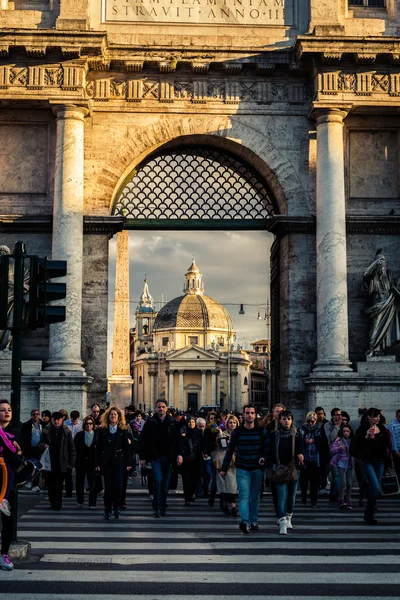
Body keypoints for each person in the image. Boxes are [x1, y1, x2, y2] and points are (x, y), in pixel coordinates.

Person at [220, 405, 267, 534]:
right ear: (243, 415)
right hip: (242, 467)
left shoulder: (261, 431)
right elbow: (229, 451)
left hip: (257, 468)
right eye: (247, 413)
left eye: (252, 413)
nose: (250, 415)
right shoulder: (237, 432)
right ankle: (245, 522)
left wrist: (263, 458)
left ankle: (253, 520)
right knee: (243, 495)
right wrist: (224, 468)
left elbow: (266, 449)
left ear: (255, 415)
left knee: (255, 497)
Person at [139, 399, 183, 518]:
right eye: (159, 407)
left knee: (165, 484)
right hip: (155, 457)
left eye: (163, 407)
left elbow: (178, 440)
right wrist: (142, 458)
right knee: (157, 480)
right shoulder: (150, 422)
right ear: (155, 408)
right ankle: (157, 507)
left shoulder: (172, 422)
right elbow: (143, 440)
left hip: (169, 457)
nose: (161, 409)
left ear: (167, 408)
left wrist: (179, 454)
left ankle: (163, 506)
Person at [351, 407, 392, 524]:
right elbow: (356, 446)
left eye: (379, 416)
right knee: (374, 486)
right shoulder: (362, 429)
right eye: (375, 416)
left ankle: (371, 508)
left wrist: (388, 462)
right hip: (367, 461)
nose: (377, 419)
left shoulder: (382, 429)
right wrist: (366, 437)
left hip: (380, 461)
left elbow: (386, 447)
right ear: (369, 417)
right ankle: (369, 515)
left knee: (375, 487)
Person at [266, 410, 304, 535]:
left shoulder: (297, 434)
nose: (286, 421)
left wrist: (301, 454)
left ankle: (288, 517)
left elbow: (301, 448)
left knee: (291, 496)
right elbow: (270, 450)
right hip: (279, 468)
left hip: (293, 468)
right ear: (279, 420)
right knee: (281, 495)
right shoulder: (274, 435)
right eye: (283, 419)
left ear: (292, 420)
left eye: (288, 418)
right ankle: (282, 521)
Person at [95, 406, 132, 520]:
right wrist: (97, 463)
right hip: (107, 462)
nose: (113, 416)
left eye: (115, 414)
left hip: (119, 462)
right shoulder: (102, 430)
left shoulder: (123, 430)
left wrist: (129, 463)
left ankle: (116, 507)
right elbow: (98, 448)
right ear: (108, 416)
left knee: (118, 486)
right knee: (108, 487)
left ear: (118, 417)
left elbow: (127, 448)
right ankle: (107, 509)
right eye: (111, 414)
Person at [363, 251, 400, 356]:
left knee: (386, 326)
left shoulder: (388, 274)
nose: (382, 264)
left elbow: (394, 286)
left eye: (384, 262)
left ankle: (380, 350)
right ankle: (371, 348)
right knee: (376, 325)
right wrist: (375, 263)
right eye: (380, 262)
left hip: (388, 301)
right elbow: (365, 274)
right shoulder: (372, 276)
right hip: (378, 302)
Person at [39, 411, 75, 511]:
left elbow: (71, 448)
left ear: (62, 420)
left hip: (61, 461)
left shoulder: (66, 432)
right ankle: (52, 500)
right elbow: (40, 444)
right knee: (50, 484)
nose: (56, 422)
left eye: (58, 420)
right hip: (49, 461)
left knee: (59, 484)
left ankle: (58, 502)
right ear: (52, 420)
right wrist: (43, 446)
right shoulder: (46, 431)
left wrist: (71, 463)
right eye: (54, 420)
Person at [214, 414, 239, 516]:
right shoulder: (223, 433)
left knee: (232, 486)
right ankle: (228, 505)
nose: (232, 425)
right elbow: (220, 446)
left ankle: (231, 505)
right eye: (230, 423)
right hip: (223, 462)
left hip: (235, 463)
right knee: (225, 486)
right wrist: (221, 435)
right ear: (227, 424)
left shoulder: (239, 434)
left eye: (234, 423)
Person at [299, 411, 323, 508]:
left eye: (312, 421)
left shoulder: (318, 430)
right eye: (309, 421)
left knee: (315, 482)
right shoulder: (302, 430)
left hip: (315, 459)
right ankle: (304, 495)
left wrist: (315, 440)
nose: (310, 423)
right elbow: (299, 442)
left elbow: (322, 442)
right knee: (304, 482)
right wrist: (305, 441)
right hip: (306, 459)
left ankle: (314, 502)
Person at [74, 416, 98, 509]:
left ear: (93, 425)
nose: (89, 425)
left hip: (92, 462)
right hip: (81, 462)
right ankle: (80, 500)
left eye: (91, 423)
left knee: (92, 483)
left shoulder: (97, 435)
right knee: (79, 482)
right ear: (84, 425)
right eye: (87, 423)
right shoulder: (79, 435)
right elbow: (75, 449)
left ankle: (92, 503)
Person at [330, 425, 355, 510]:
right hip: (341, 463)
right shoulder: (339, 440)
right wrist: (339, 448)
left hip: (349, 463)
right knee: (343, 482)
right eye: (344, 431)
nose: (346, 433)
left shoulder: (352, 441)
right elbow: (332, 450)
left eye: (347, 431)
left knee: (349, 483)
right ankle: (341, 499)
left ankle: (348, 499)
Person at [19, 408, 44, 493]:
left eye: (37, 414)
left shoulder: (43, 424)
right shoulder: (26, 425)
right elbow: (22, 438)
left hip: (40, 449)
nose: (35, 416)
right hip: (30, 448)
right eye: (33, 414)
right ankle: (29, 481)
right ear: (31, 415)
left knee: (38, 467)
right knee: (30, 465)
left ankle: (36, 484)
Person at [181, 416, 202, 506]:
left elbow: (202, 444)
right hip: (186, 460)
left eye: (193, 422)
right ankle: (187, 498)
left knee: (195, 478)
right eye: (189, 422)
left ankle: (193, 492)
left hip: (197, 459)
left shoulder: (198, 433)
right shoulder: (183, 434)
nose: (191, 423)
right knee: (186, 479)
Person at [324, 408, 343, 502]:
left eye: (340, 414)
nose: (339, 416)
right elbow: (330, 438)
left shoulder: (344, 424)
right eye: (336, 414)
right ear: (332, 416)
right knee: (335, 474)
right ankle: (340, 495)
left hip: (343, 453)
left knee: (339, 475)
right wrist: (336, 426)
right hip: (333, 453)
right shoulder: (328, 425)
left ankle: (333, 494)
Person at [389, 409, 400, 483]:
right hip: (398, 451)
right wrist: (396, 450)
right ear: (396, 416)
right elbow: (392, 439)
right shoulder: (392, 425)